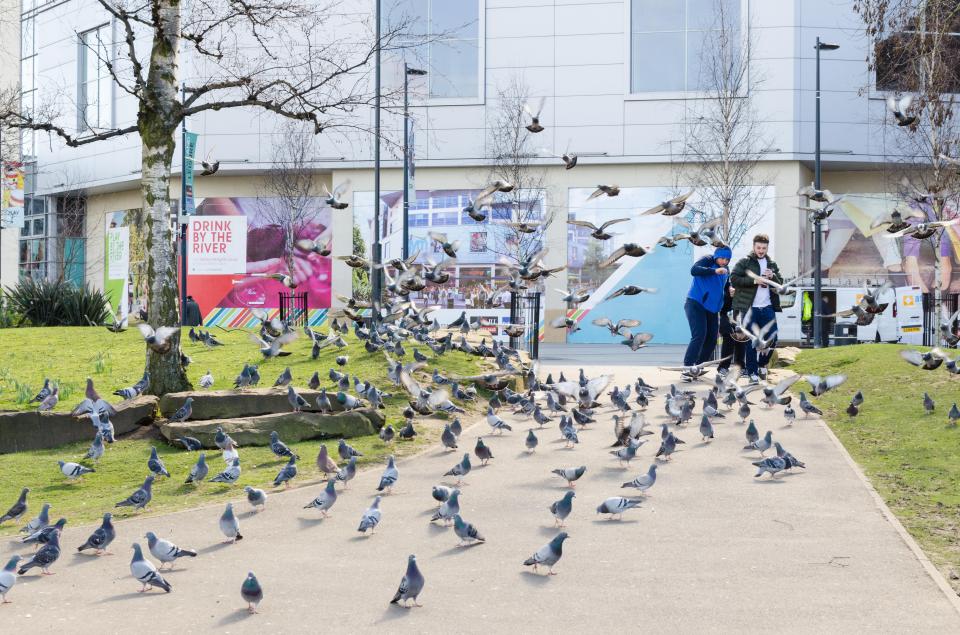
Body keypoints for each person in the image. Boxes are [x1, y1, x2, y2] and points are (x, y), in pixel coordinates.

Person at [730, 234, 784, 385]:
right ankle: (752, 373)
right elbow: (734, 278)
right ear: (754, 247)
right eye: (758, 247)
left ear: (767, 248)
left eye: (764, 248)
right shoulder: (744, 262)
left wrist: (772, 276)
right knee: (751, 342)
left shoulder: (771, 264)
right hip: (749, 308)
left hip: (767, 307)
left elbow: (780, 284)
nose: (761, 250)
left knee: (773, 338)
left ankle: (762, 365)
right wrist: (754, 280)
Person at [682, 245, 732, 381]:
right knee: (699, 335)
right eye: (722, 258)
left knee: (712, 339)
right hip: (695, 303)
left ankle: (697, 368)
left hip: (712, 308)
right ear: (716, 256)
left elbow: (726, 284)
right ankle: (686, 369)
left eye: (727, 260)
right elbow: (694, 270)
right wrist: (714, 271)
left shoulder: (726, 270)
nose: (724, 262)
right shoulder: (707, 260)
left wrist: (730, 289)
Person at [717, 279, 746, 379]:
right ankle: (723, 367)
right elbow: (721, 303)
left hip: (740, 316)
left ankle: (740, 367)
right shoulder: (725, 284)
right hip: (726, 315)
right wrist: (729, 294)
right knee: (728, 339)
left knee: (742, 340)